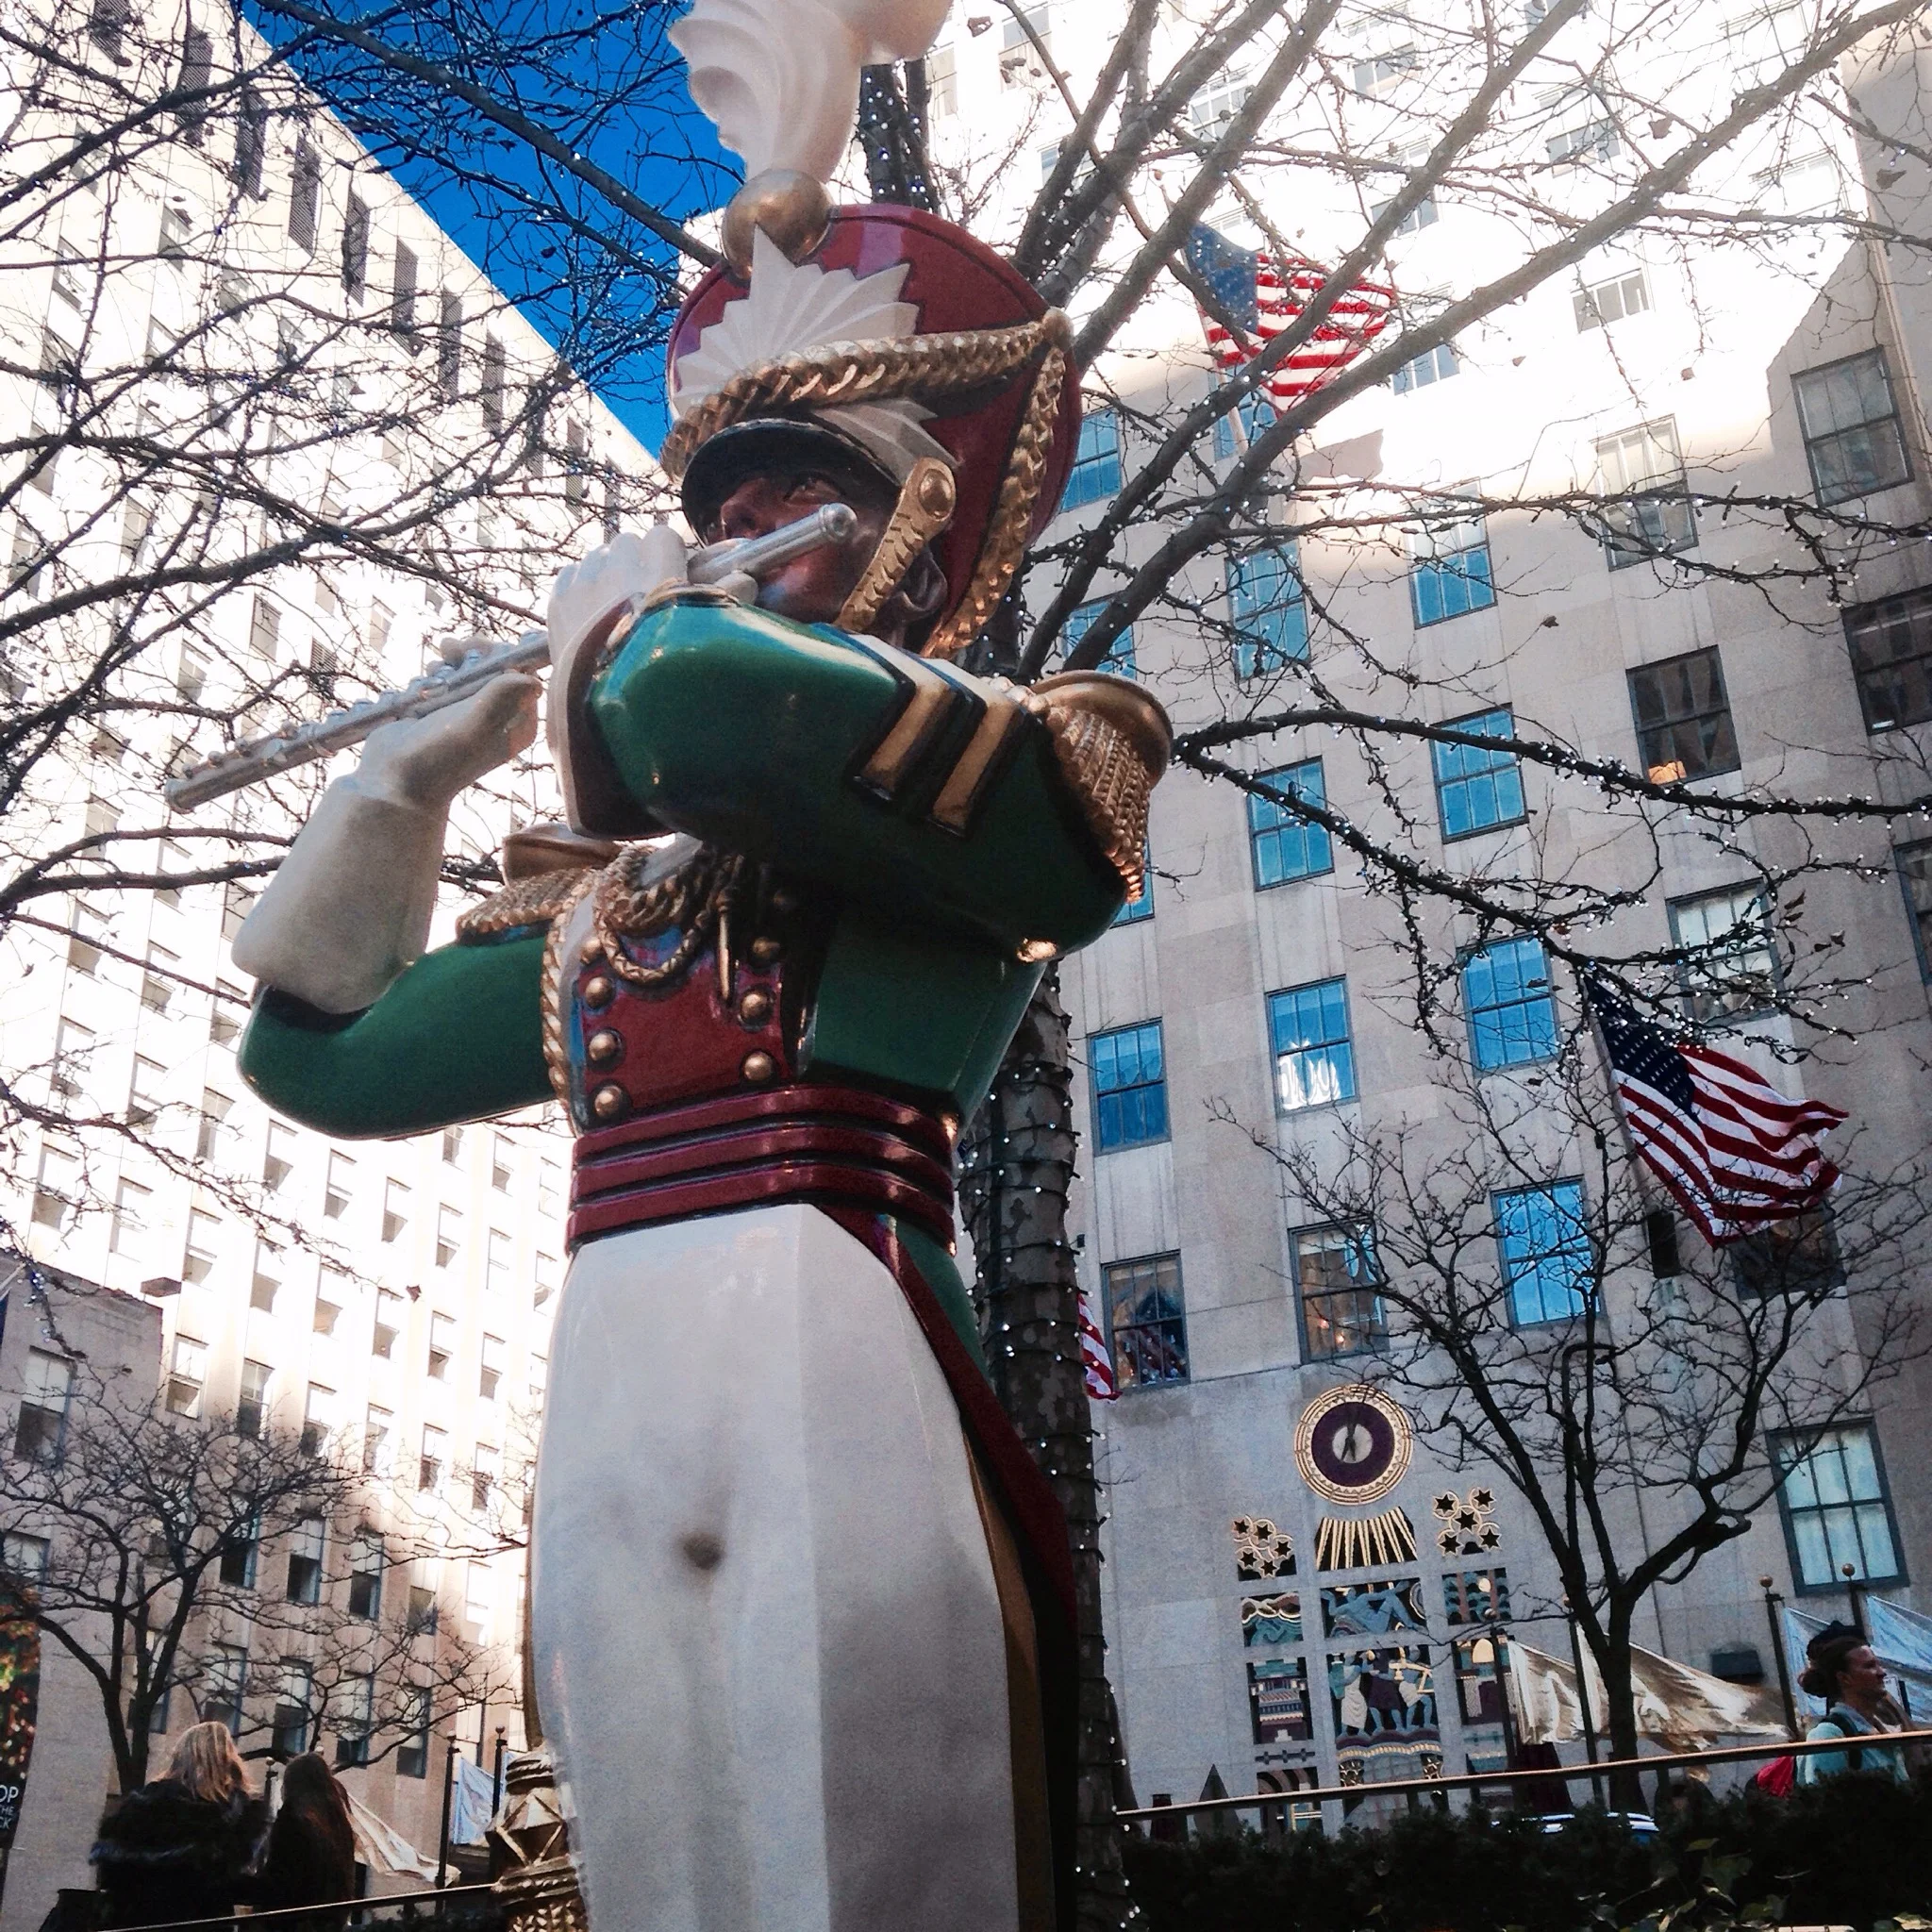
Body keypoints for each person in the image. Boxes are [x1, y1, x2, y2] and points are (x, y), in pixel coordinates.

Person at [224, 12, 1169, 1926]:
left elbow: (708, 709)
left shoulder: (1054, 751)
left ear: (924, 527)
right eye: (718, 514)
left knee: (867, 1865)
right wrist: (399, 787)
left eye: (794, 505)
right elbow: (317, 1047)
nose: (743, 542)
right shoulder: (616, 905)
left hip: (844, 1360)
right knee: (661, 1874)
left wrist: (609, 663)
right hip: (616, 1402)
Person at [91, 1721, 266, 1928]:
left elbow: (111, 1876)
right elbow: (221, 1881)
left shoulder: (139, 1809)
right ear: (228, 1761)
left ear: (178, 1758)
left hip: (133, 1921)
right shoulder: (228, 1818)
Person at [249, 1754, 358, 1926]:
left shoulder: (292, 1821)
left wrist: (233, 1886)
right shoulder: (338, 1825)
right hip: (327, 1923)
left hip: (291, 1923)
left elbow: (278, 1885)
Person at [1797, 1634, 1909, 1783]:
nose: (1882, 1673)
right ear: (1844, 1678)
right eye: (1869, 1666)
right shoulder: (1828, 1735)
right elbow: (1823, 1794)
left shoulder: (1882, 1730)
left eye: (1878, 1665)